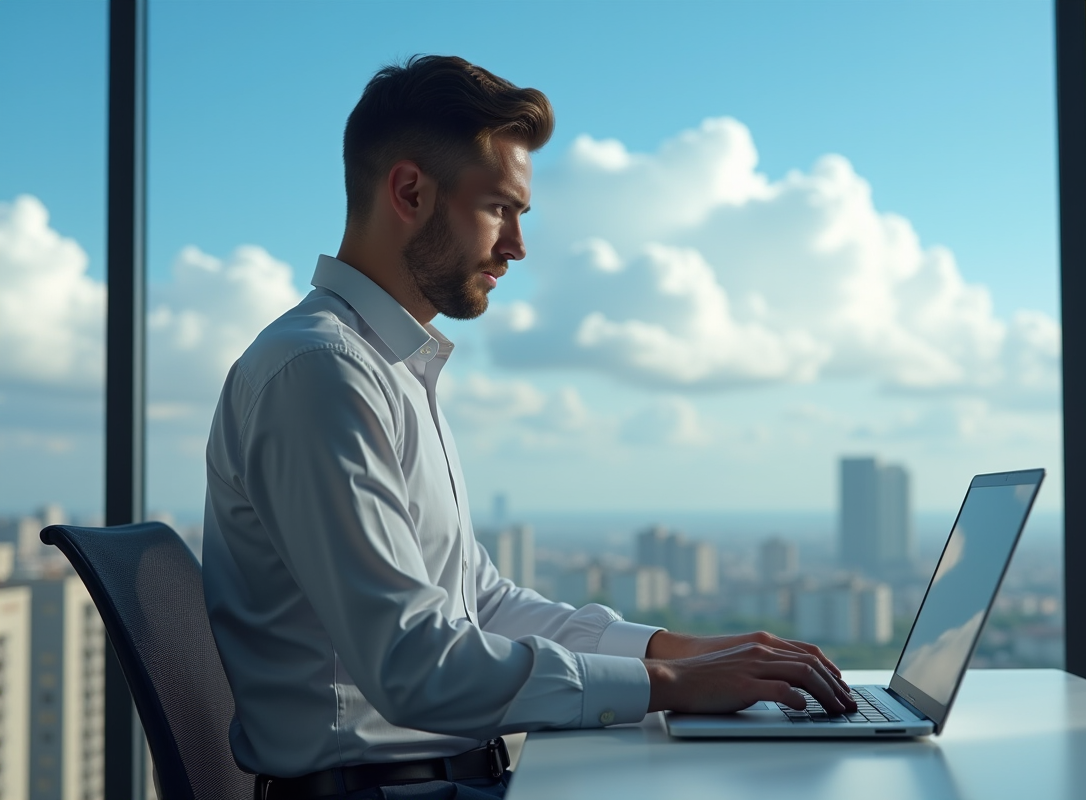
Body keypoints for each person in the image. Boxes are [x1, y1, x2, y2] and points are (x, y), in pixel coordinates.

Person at [203, 55, 856, 800]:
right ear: (411, 192)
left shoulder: (388, 368)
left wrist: (690, 652)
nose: (516, 246)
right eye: (498, 209)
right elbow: (417, 666)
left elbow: (480, 605)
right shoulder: (320, 373)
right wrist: (670, 682)